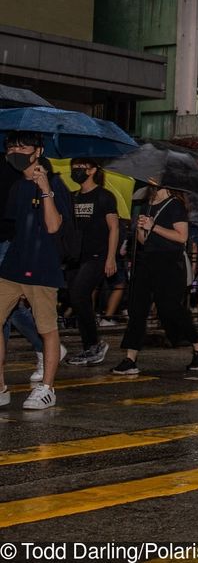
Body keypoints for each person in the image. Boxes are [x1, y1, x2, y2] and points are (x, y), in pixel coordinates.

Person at [111, 183, 198, 376]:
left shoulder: (175, 205)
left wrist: (154, 226)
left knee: (170, 308)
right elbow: (144, 240)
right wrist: (142, 229)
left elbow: (182, 237)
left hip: (169, 262)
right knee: (137, 309)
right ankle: (130, 359)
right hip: (146, 261)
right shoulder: (147, 205)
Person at [0, 133, 72, 409]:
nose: (15, 151)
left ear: (38, 151)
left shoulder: (55, 183)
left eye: (22, 146)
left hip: (43, 265)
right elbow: (16, 225)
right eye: (11, 146)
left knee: (46, 328)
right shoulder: (18, 186)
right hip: (14, 264)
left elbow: (54, 226)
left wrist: (44, 188)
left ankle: (47, 388)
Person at [65, 158, 118, 367]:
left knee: (79, 295)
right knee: (77, 299)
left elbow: (114, 227)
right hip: (75, 256)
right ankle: (90, 345)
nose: (77, 171)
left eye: (81, 168)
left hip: (97, 256)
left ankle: (93, 344)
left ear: (93, 170)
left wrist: (111, 257)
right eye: (74, 168)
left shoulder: (104, 196)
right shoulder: (73, 197)